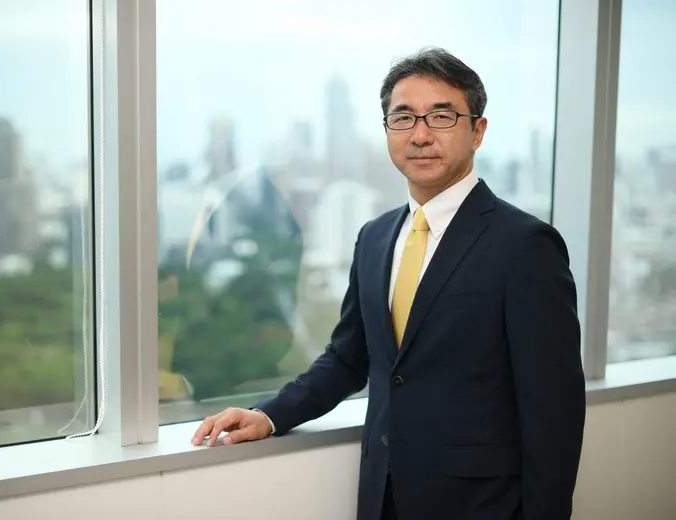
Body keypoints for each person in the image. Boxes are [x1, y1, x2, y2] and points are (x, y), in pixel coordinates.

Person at [191, 47, 586, 520]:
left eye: (441, 116)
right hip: (383, 497)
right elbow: (348, 358)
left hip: (483, 505)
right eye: (403, 118)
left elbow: (553, 409)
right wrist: (269, 414)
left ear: (477, 131)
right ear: (387, 131)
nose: (420, 134)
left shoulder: (525, 245)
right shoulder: (375, 237)